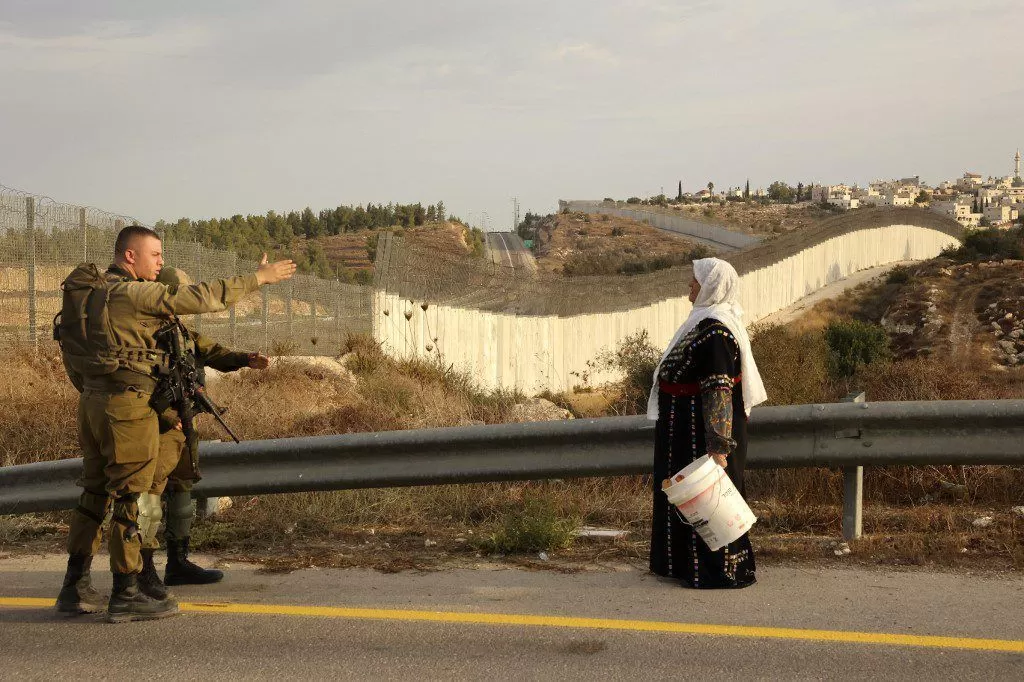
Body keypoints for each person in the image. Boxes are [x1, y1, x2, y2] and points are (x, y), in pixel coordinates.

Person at [54, 225, 295, 622]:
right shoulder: (132, 294)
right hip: (128, 408)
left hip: (95, 403)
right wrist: (258, 279)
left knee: (94, 494)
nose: (161, 262)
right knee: (133, 497)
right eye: (155, 254)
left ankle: (74, 586)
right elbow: (200, 297)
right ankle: (127, 592)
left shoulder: (94, 297)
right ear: (130, 256)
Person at [135, 266, 271, 601]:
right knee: (150, 495)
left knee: (182, 486)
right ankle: (143, 568)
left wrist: (246, 359)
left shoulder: (181, 331)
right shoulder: (141, 333)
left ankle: (178, 563)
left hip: (185, 422)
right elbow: (135, 385)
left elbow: (211, 352)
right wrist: (168, 417)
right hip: (158, 427)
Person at [647, 257, 768, 589]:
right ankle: (681, 566)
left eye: (696, 280)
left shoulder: (716, 332)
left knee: (707, 499)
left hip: (699, 435)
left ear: (711, 287)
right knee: (686, 497)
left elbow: (719, 391)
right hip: (682, 430)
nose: (690, 284)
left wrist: (718, 447)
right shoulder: (702, 323)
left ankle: (718, 572)